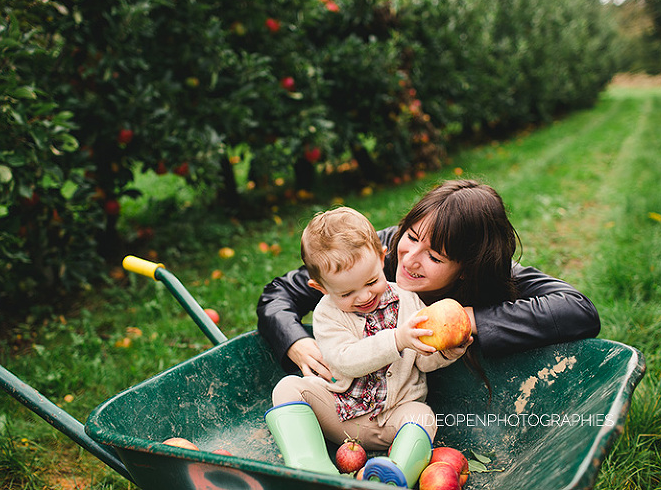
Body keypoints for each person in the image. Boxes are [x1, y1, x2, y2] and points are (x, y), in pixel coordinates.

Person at [257, 178, 600, 383]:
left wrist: (468, 318)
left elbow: (579, 310)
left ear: (467, 267)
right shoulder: (377, 255)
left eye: (435, 257)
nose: (410, 259)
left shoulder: (493, 276)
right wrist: (294, 341)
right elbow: (280, 293)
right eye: (412, 236)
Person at [264, 207, 470, 487]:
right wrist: (397, 339)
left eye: (372, 281)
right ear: (321, 287)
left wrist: (446, 352)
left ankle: (395, 474)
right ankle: (311, 468)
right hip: (341, 414)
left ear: (382, 257)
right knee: (287, 388)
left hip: (393, 418)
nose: (364, 296)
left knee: (423, 415)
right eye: (346, 293)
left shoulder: (407, 300)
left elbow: (422, 360)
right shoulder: (327, 314)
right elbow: (345, 359)